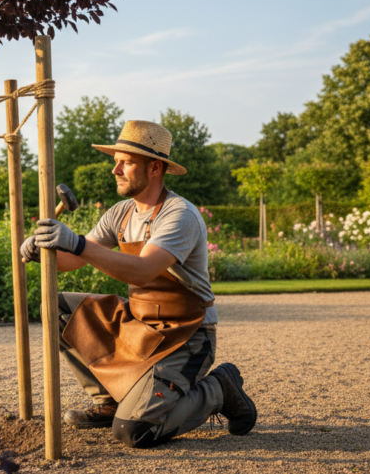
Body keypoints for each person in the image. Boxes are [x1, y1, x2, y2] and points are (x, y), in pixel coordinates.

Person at [20, 120, 257, 449]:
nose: (115, 169)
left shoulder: (180, 215)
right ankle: (109, 401)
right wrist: (42, 251)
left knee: (135, 433)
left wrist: (76, 243)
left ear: (155, 167)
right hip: (141, 323)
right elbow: (73, 260)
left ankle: (218, 389)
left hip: (186, 335)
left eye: (126, 162)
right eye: (116, 161)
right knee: (57, 305)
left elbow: (144, 270)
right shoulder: (120, 213)